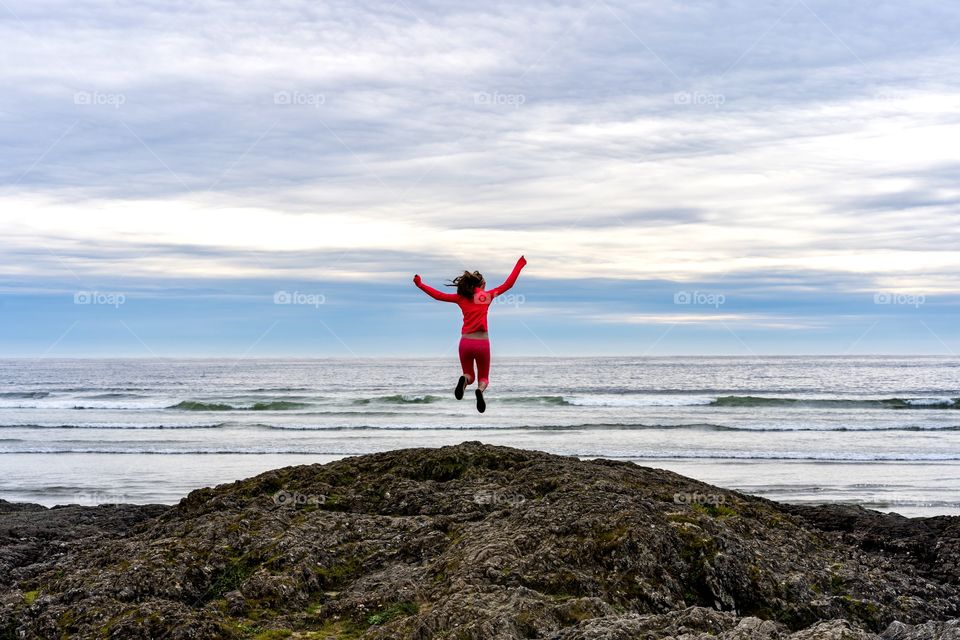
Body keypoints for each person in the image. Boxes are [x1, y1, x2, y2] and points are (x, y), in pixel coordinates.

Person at [413, 255, 527, 413]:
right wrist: (520, 265)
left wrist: (420, 284)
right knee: (483, 378)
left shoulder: (461, 298)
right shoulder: (486, 297)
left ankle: (464, 380)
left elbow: (438, 295)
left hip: (465, 343)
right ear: (482, 284)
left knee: (469, 375)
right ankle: (479, 391)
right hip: (482, 344)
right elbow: (508, 284)